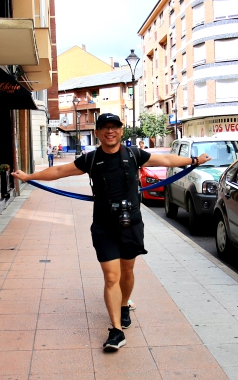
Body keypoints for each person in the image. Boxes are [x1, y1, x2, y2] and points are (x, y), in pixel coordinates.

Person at [12, 112, 210, 351]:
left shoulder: (134, 154)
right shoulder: (91, 160)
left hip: (131, 223)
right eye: (104, 127)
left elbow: (166, 161)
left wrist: (194, 161)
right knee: (111, 277)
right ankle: (116, 330)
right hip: (104, 225)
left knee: (127, 272)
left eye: (114, 127)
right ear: (97, 133)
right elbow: (58, 172)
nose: (110, 131)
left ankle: (124, 304)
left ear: (121, 131)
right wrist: (29, 177)